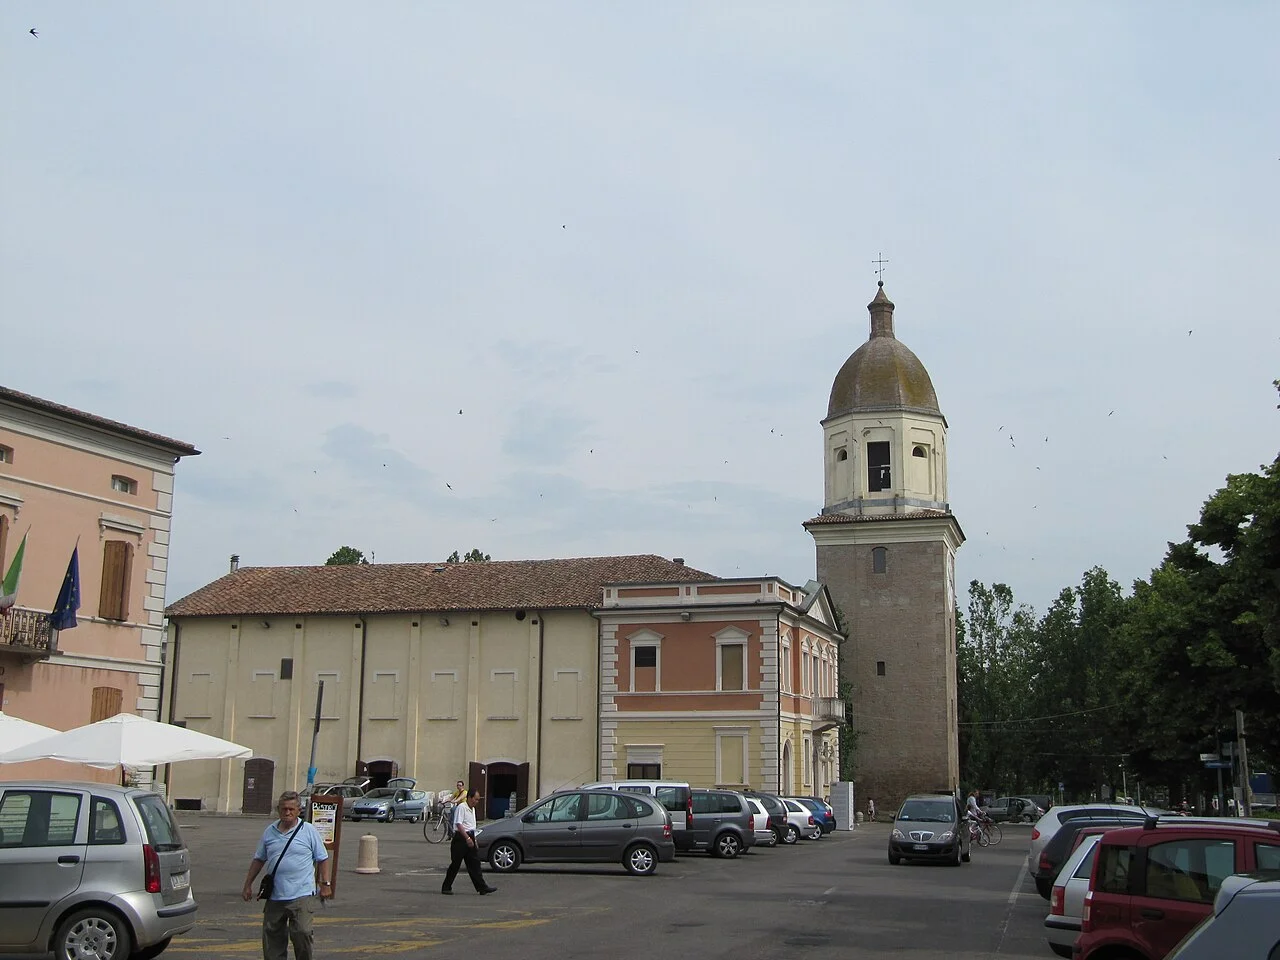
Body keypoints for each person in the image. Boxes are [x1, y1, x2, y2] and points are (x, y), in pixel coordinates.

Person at [242, 791, 331, 960]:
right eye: (284, 809)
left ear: (298, 810)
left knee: (302, 932)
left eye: (291, 809)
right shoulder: (270, 832)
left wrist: (325, 884)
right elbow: (259, 859)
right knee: (273, 940)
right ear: (278, 810)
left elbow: (323, 858)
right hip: (275, 895)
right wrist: (248, 885)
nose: (287, 812)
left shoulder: (308, 830)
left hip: (301, 894)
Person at [441, 788, 496, 896]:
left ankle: (482, 887)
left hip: (470, 835)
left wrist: (474, 839)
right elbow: (459, 824)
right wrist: (467, 838)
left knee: (475, 864)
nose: (476, 802)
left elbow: (472, 826)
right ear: (469, 798)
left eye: (478, 800)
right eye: (475, 799)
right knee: (455, 864)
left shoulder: (472, 809)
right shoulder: (462, 808)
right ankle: (446, 887)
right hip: (461, 838)